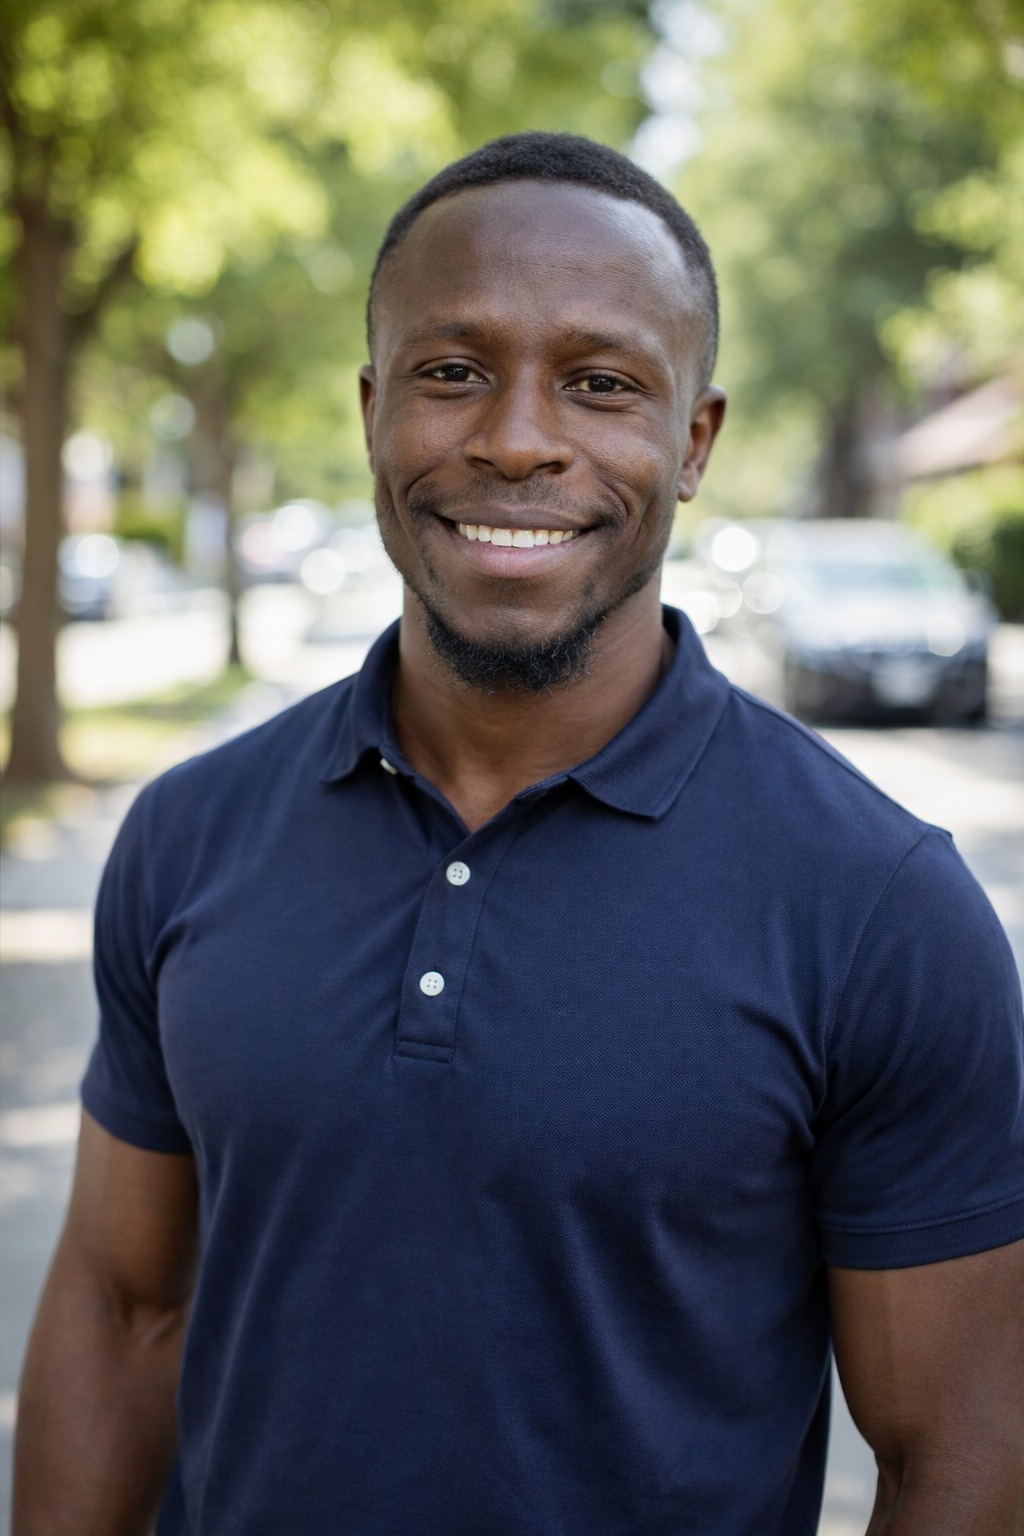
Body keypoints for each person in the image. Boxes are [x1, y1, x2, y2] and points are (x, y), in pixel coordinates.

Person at [13, 132, 1024, 1535]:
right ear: (373, 410)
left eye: (603, 385)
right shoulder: (188, 836)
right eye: (451, 372)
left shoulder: (881, 908)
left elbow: (959, 1459)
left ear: (694, 443)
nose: (516, 437)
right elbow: (119, 1312)